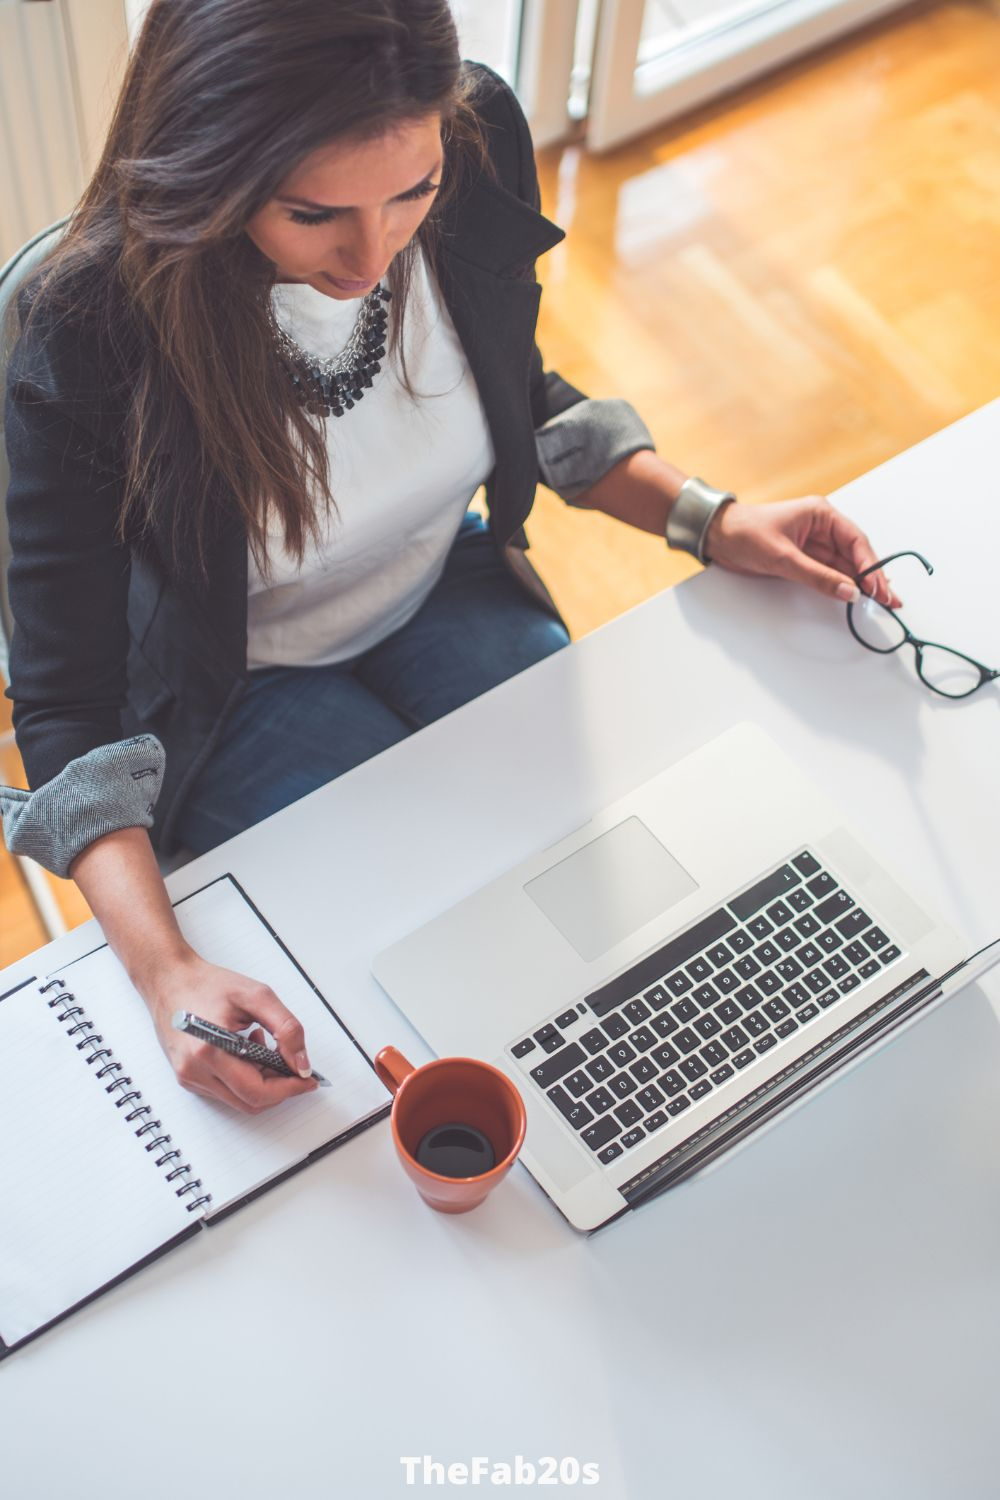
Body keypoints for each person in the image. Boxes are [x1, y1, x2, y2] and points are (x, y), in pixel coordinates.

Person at [1, 0, 896, 1115]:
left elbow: (511, 392)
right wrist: (162, 970)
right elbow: (67, 705)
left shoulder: (475, 144)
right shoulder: (88, 323)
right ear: (212, 170)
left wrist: (708, 519)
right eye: (313, 212)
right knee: (408, 964)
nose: (373, 256)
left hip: (441, 581)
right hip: (228, 685)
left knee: (599, 897)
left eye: (408, 195)